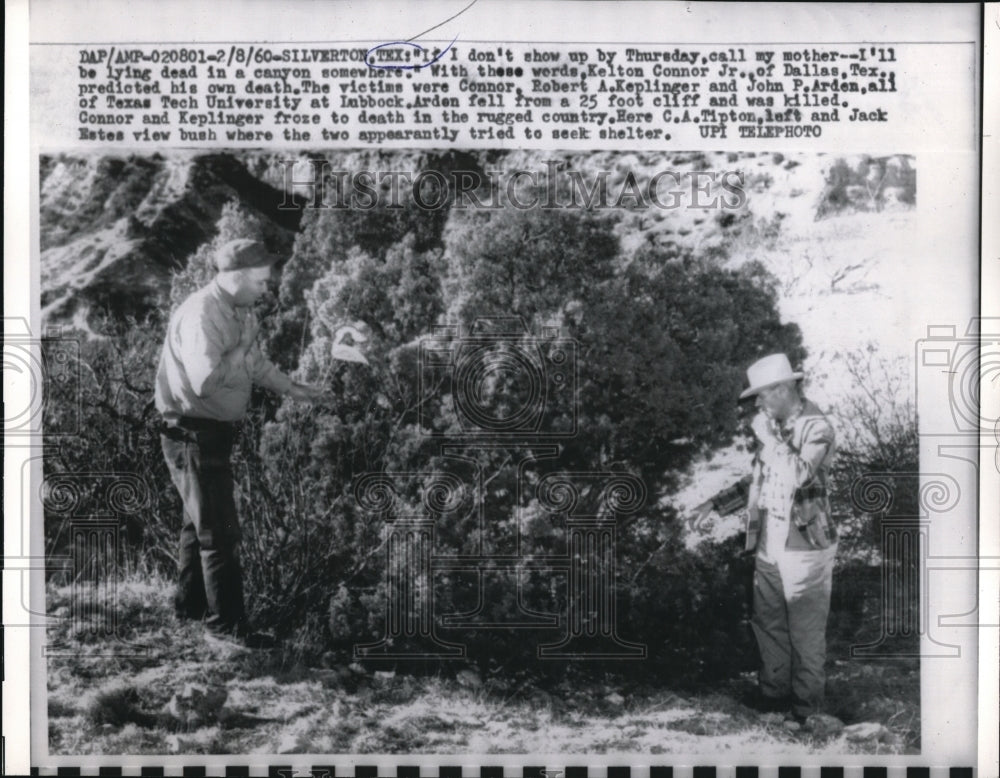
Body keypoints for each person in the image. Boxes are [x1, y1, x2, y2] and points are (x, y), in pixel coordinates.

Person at [154, 238, 327, 648]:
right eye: (262, 281)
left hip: (206, 432)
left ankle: (190, 608)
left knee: (199, 526)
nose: (267, 289)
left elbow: (256, 365)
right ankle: (226, 627)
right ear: (235, 277)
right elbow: (205, 381)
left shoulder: (235, 309)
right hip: (192, 432)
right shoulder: (202, 314)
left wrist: (296, 390)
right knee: (220, 533)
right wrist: (243, 348)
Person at [690, 353, 838, 723]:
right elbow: (757, 480)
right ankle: (774, 699)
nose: (756, 403)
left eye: (762, 395)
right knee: (768, 623)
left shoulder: (815, 427)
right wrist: (714, 503)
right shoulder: (775, 427)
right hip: (769, 542)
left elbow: (798, 476)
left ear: (785, 388)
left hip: (805, 546)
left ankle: (806, 711)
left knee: (804, 631)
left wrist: (770, 440)